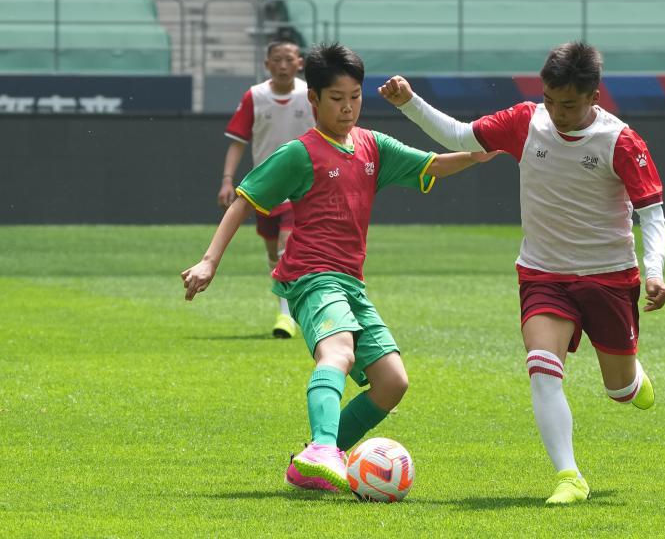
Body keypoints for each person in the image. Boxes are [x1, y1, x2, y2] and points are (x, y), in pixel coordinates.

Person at [182, 43, 496, 493]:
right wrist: (209, 261)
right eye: (336, 98)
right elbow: (243, 202)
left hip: (351, 284)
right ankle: (324, 449)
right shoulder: (299, 153)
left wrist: (478, 154)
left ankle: (314, 462)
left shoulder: (372, 146)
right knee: (338, 353)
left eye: (355, 96)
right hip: (311, 279)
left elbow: (430, 165)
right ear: (314, 99)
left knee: (392, 382)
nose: (347, 107)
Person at [379, 41, 665, 505]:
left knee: (619, 391)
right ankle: (569, 476)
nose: (556, 112)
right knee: (541, 367)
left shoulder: (621, 141)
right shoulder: (525, 121)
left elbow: (650, 211)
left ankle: (631, 379)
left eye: (569, 104)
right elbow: (460, 136)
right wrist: (409, 102)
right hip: (543, 274)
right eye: (550, 100)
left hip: (609, 277)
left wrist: (653, 271)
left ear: (594, 97)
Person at [220, 41, 316, 339]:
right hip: (266, 187)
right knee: (274, 253)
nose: (283, 65)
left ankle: (287, 315)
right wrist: (227, 179)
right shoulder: (255, 96)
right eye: (277, 59)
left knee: (289, 245)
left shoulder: (310, 95)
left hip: (301, 187)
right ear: (267, 64)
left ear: (299, 62)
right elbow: (238, 140)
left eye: (289, 59)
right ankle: (286, 307)